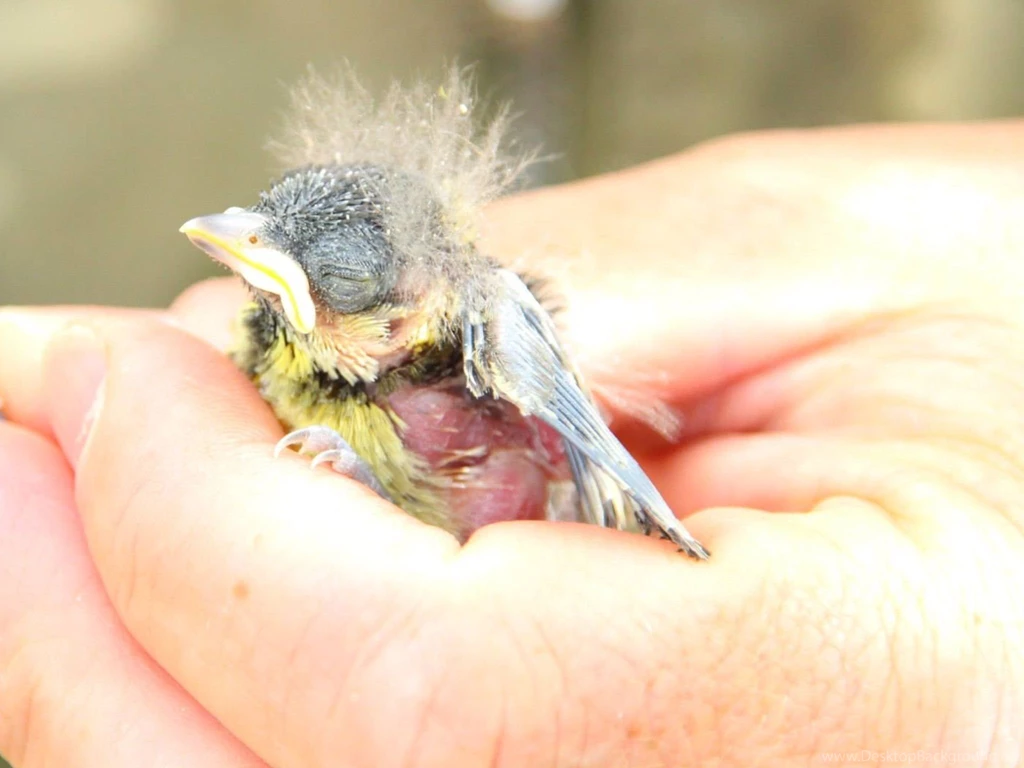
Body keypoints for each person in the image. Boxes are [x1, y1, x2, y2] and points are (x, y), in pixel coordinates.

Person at [0, 122, 1020, 768]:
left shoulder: (467, 389)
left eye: (324, 284)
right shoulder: (279, 340)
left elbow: (589, 489)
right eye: (262, 239)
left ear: (404, 320)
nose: (247, 254)